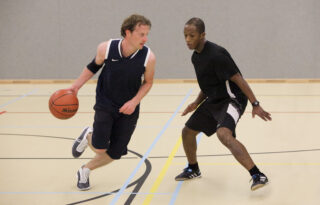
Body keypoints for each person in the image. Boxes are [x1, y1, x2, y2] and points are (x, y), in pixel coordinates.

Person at [175, 17, 271, 191]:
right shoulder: (196, 57)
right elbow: (207, 84)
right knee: (187, 132)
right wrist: (196, 103)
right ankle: (193, 169)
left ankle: (257, 174)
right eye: (185, 36)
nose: (187, 40)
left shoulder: (217, 55)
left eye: (192, 35)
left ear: (202, 35)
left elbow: (238, 79)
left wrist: (255, 103)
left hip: (232, 99)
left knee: (224, 134)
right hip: (213, 100)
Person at [69, 14, 156, 190]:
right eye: (141, 34)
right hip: (106, 102)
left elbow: (148, 82)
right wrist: (76, 86)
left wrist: (134, 102)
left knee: (115, 153)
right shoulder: (106, 48)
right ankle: (89, 135)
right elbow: (93, 66)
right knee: (101, 148)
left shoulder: (149, 57)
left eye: (147, 34)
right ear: (128, 32)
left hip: (129, 108)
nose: (145, 39)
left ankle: (85, 170)